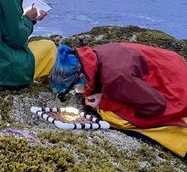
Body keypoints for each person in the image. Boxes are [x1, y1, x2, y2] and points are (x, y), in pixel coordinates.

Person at [49, 42, 187, 157]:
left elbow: (156, 106)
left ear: (80, 78)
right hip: (171, 65)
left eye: (73, 89)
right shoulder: (93, 55)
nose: (75, 92)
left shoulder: (115, 79)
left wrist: (104, 102)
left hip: (177, 89)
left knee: (112, 117)